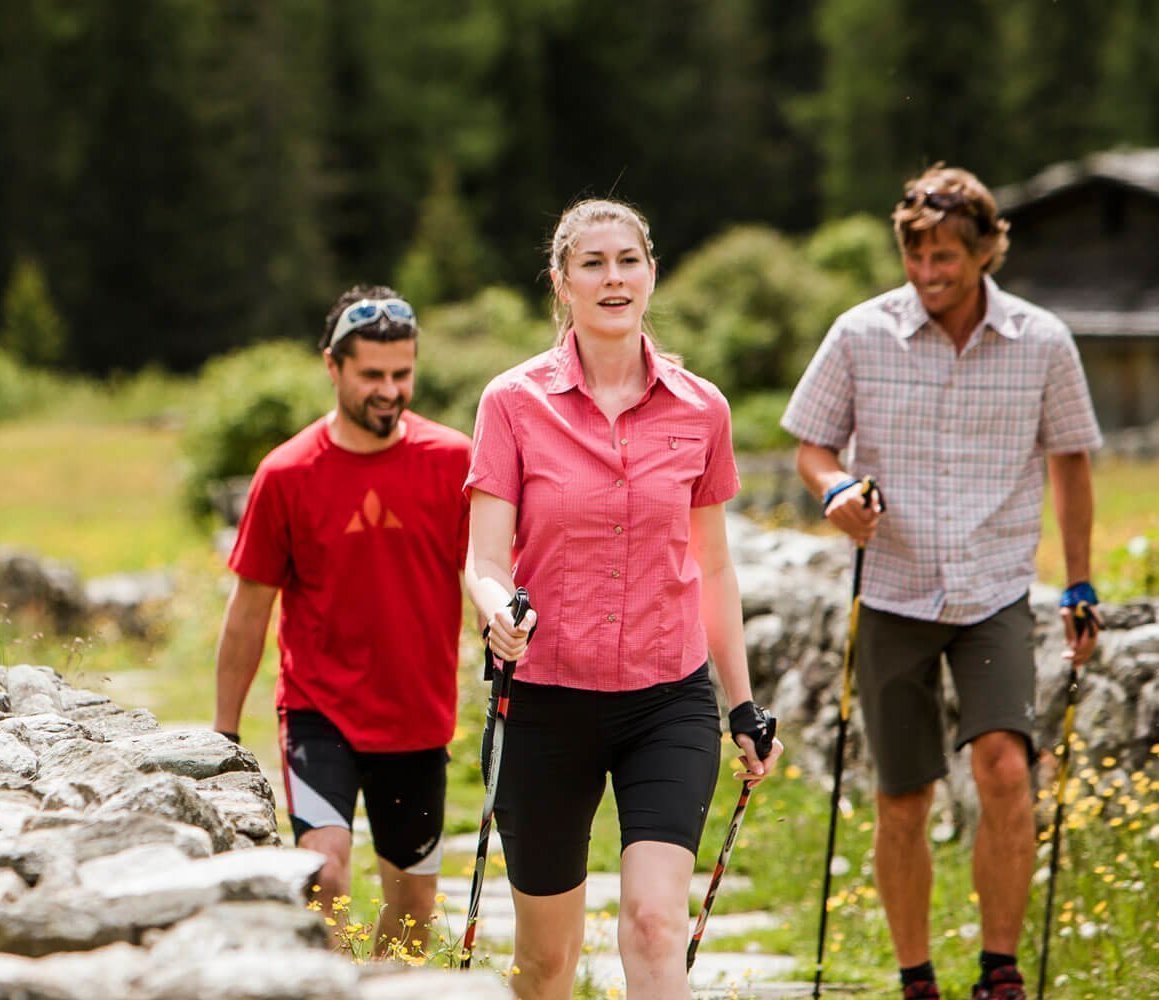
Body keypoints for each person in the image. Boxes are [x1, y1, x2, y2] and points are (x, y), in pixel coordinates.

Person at [780, 164, 1103, 1000]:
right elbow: (811, 446)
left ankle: (999, 972)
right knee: (904, 797)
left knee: (1005, 769)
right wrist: (837, 490)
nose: (930, 273)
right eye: (917, 256)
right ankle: (915, 977)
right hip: (892, 588)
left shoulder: (1043, 343)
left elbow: (1070, 462)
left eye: (947, 257)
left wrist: (1078, 585)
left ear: (987, 250)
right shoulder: (859, 333)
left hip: (994, 588)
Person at [464, 198, 784, 1000]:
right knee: (546, 962)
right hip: (543, 700)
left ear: (650, 272)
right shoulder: (511, 402)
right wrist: (497, 610)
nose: (614, 279)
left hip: (666, 700)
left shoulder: (701, 408)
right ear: (561, 282)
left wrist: (742, 706)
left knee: (652, 923)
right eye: (593, 264)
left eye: (628, 261)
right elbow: (483, 560)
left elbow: (712, 567)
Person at [213, 284, 472, 955]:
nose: (389, 390)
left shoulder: (455, 462)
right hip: (319, 710)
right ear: (332, 367)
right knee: (324, 874)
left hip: (418, 716)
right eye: (372, 376)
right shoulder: (287, 473)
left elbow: (490, 575)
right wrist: (223, 731)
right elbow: (248, 611)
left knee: (412, 914)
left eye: (402, 374)